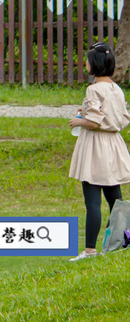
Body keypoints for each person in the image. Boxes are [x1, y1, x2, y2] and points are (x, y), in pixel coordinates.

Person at [68, 42, 130, 261]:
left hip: (96, 146)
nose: (84, 63)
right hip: (113, 144)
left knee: (92, 199)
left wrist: (77, 121)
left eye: (86, 60)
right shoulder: (116, 88)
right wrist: (84, 112)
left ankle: (90, 250)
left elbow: (94, 122)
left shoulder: (93, 89)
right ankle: (119, 241)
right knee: (115, 198)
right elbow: (119, 117)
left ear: (94, 63)